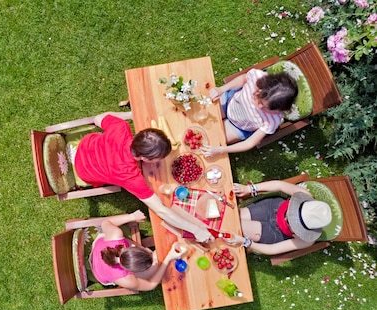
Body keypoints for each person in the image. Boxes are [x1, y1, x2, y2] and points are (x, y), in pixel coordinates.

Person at [74, 111, 214, 242]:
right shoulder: (130, 176)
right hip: (85, 171)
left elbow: (98, 118)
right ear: (145, 158)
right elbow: (161, 210)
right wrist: (195, 229)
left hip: (85, 145)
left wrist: (129, 114)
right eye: (157, 159)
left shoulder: (121, 126)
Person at [200, 70, 298, 157]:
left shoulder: (273, 120)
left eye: (266, 108)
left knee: (209, 138)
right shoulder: (257, 76)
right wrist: (222, 89)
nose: (259, 107)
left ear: (280, 110)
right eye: (259, 100)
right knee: (201, 117)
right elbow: (243, 79)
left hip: (238, 127)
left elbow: (250, 143)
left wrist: (221, 150)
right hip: (229, 102)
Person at [220, 180, 332, 255]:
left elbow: (273, 249)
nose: (288, 219)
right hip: (273, 208)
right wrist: (250, 189)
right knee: (231, 216)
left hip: (276, 232)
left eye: (293, 224)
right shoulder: (304, 194)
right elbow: (279, 185)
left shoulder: (307, 241)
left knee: (233, 226)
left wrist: (246, 242)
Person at [90, 211, 186, 290]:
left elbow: (105, 222)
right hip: (99, 273)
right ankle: (151, 252)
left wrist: (132, 216)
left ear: (127, 247)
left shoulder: (115, 235)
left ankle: (148, 249)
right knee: (155, 267)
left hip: (99, 248)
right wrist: (167, 259)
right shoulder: (125, 279)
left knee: (154, 261)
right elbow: (150, 285)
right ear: (131, 271)